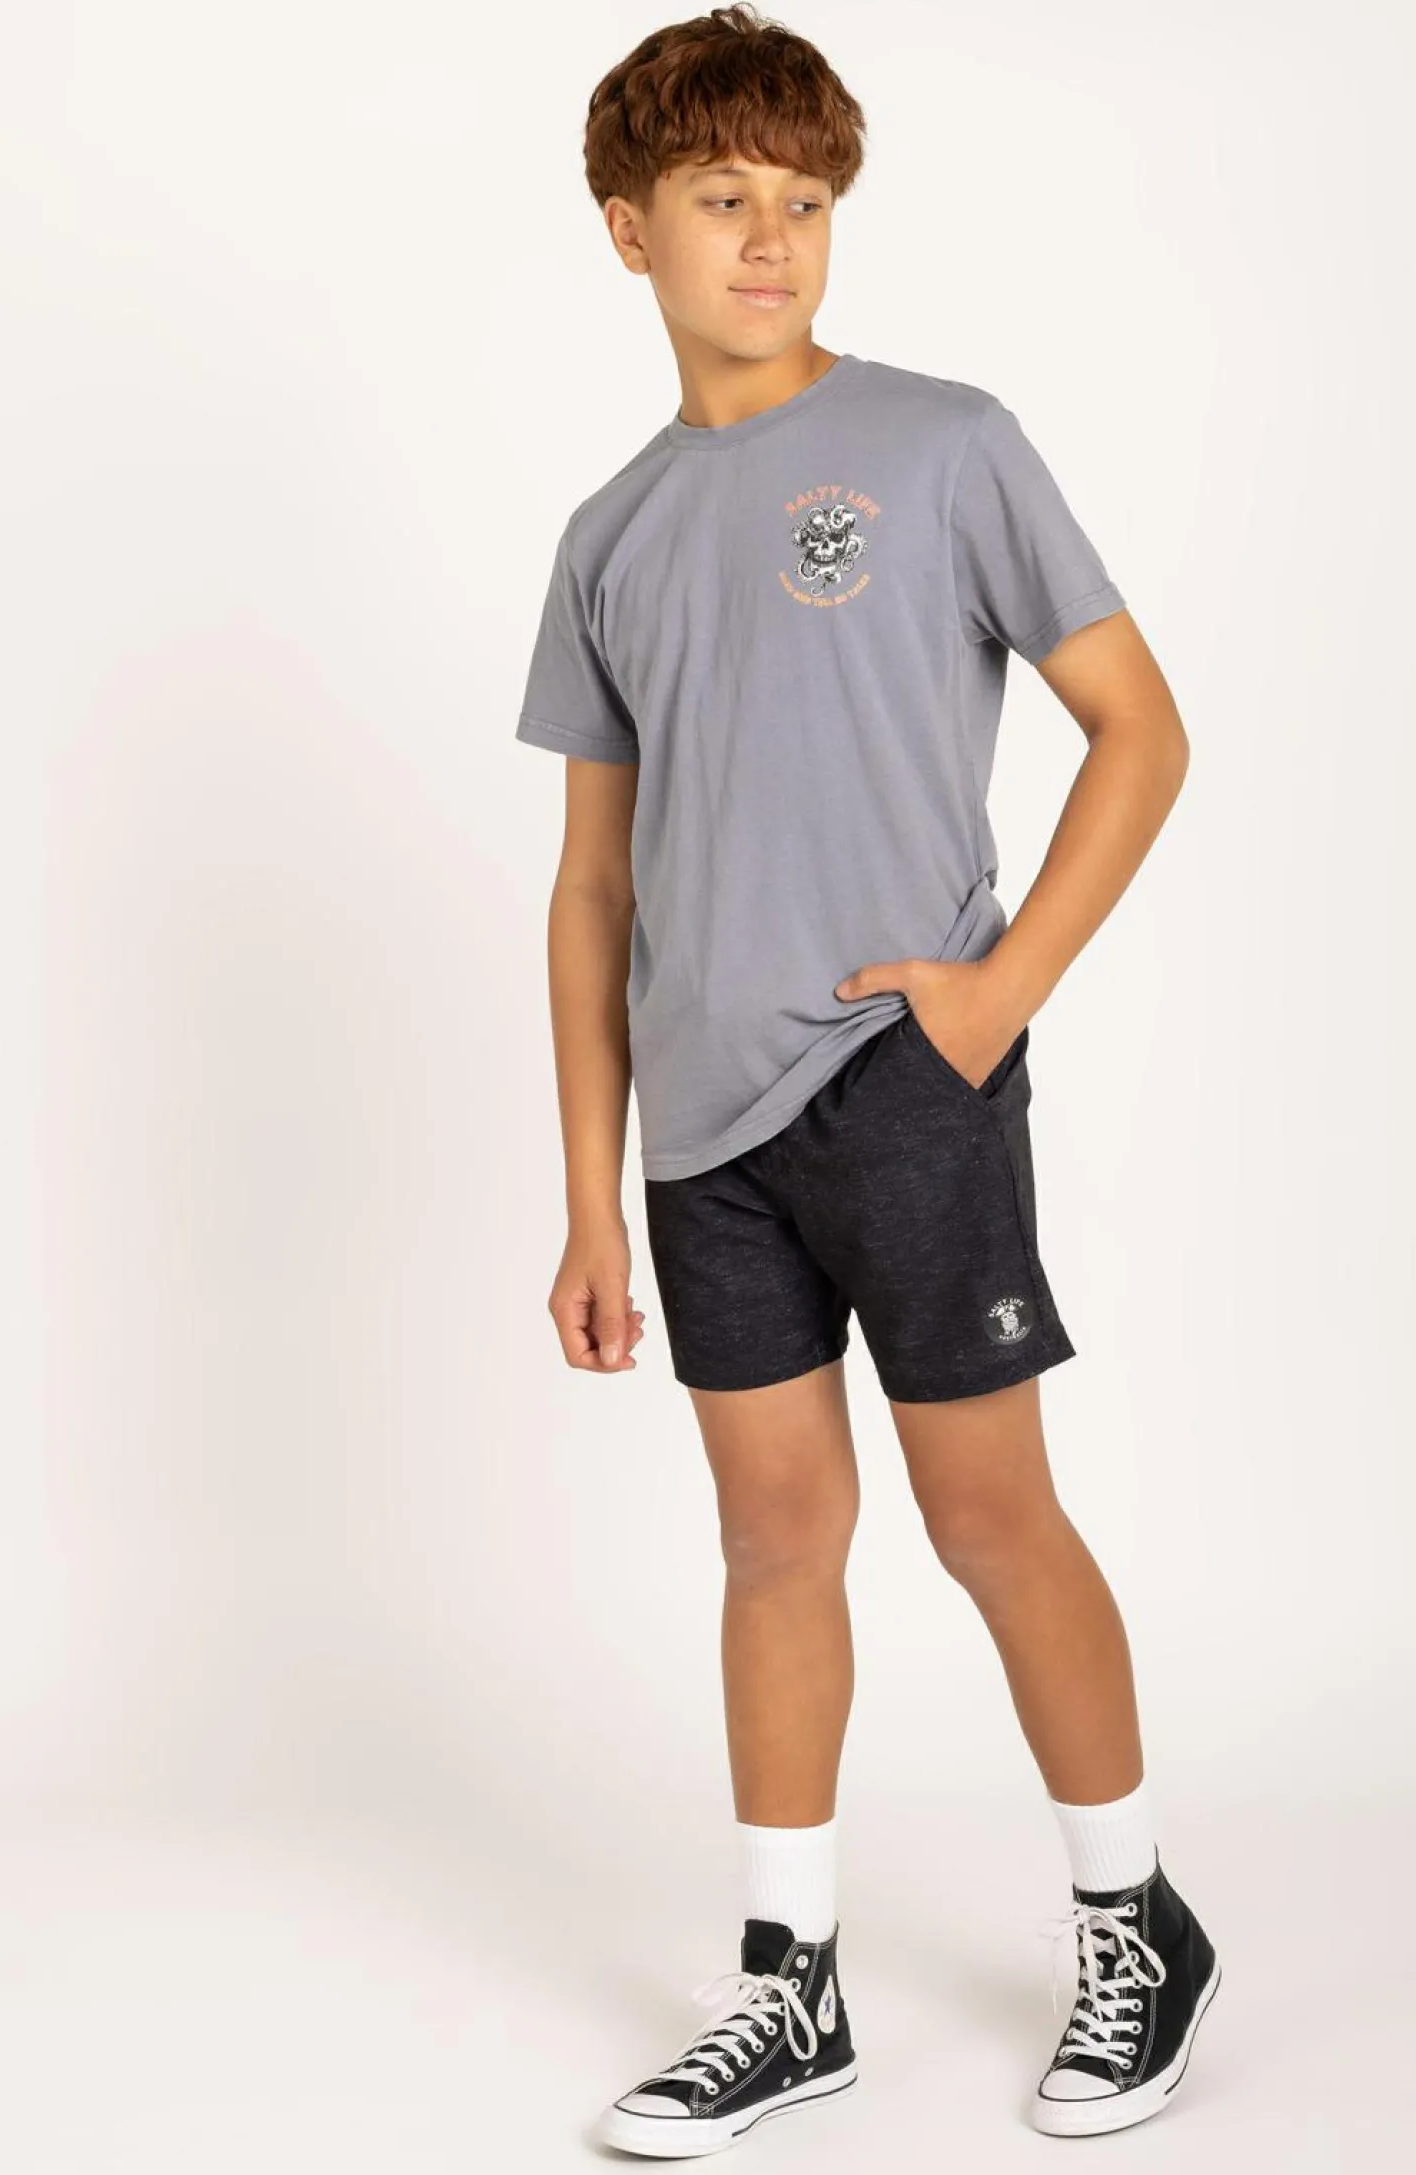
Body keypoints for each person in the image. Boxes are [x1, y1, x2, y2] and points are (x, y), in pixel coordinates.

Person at [515, 5, 1221, 2153]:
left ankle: (1137, 1919)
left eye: (804, 201)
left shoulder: (944, 444)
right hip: (704, 1132)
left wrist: (995, 996)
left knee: (988, 1513)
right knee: (773, 1541)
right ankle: (788, 1983)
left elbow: (1141, 728)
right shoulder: (609, 532)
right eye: (723, 197)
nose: (770, 237)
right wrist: (588, 1192)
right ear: (627, 226)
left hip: (907, 1078)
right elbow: (591, 888)